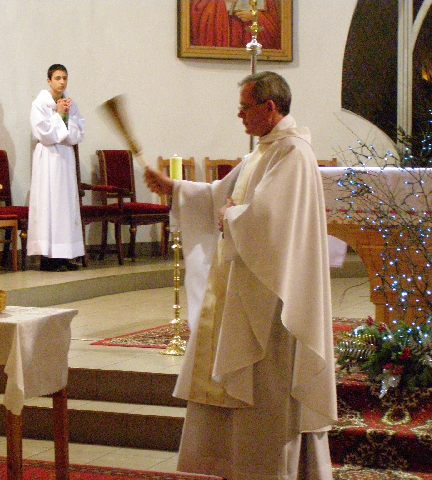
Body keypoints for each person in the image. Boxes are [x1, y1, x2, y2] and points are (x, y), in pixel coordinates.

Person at [144, 71, 337, 479]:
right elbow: (220, 194)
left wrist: (231, 216)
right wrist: (172, 187)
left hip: (274, 301)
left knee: (269, 391)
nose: (239, 115)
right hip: (246, 289)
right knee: (246, 389)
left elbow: (268, 219)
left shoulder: (293, 153)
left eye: (245, 108)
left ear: (270, 107)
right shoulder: (263, 153)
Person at [28, 64, 86, 271]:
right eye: (58, 78)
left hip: (65, 157)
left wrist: (66, 116)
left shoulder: (71, 104)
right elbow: (45, 134)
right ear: (49, 81)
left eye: (65, 78)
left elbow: (77, 134)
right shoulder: (40, 104)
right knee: (49, 204)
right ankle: (48, 258)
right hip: (48, 158)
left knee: (66, 206)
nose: (62, 82)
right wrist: (59, 115)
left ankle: (65, 255)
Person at [190, 0, 281, 50]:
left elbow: (275, 29)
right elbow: (197, 10)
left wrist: (255, 16)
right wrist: (222, 3)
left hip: (248, 40)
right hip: (223, 32)